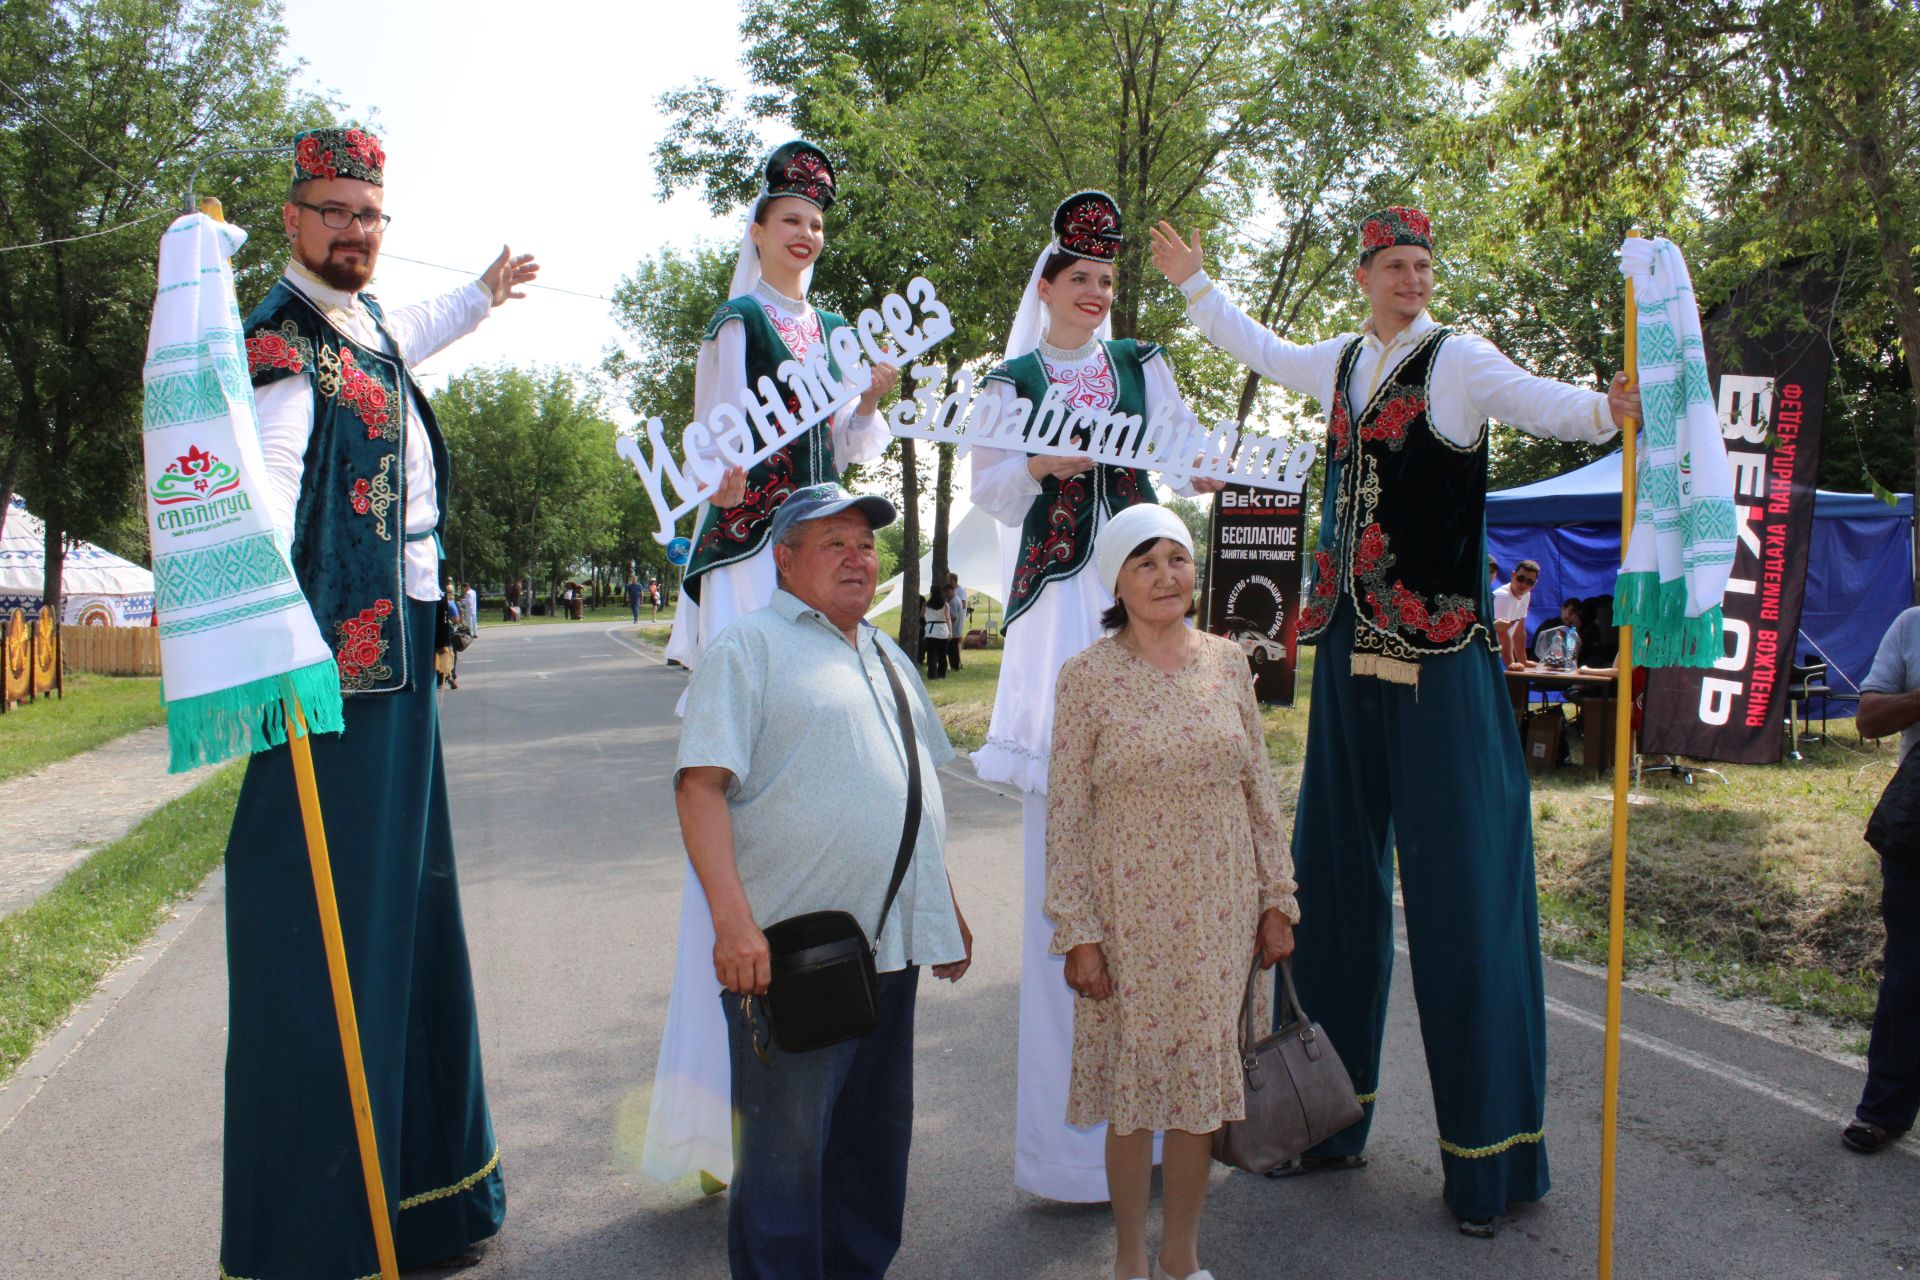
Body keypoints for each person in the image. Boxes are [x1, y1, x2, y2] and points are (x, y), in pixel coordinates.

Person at [1153, 206, 1639, 1235]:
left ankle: (1489, 1161)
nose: (1413, 279)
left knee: (1463, 899)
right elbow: (1261, 348)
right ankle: (1329, 1117)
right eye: (1396, 265)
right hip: (1348, 652)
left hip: (1441, 661)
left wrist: (1607, 407)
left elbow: (1539, 401)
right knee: (1328, 878)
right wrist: (1199, 285)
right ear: (1365, 274)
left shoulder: (1457, 360)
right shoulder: (1337, 359)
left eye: (1424, 265)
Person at [226, 125, 533, 1278]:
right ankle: (320, 1232)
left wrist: (484, 295)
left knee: (405, 919)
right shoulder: (277, 341)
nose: (354, 230)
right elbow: (263, 492)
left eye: (370, 214)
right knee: (335, 938)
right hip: (332, 676)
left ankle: (425, 1194)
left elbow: (414, 335)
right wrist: (274, 641)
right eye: (334, 211)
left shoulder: (354, 326)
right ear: (294, 216)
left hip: (398, 658)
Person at [646, 140, 901, 1190]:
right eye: (790, 218)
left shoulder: (834, 330)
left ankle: (796, 1085)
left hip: (815, 547)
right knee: (742, 784)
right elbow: (716, 450)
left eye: (817, 222)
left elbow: (850, 448)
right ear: (758, 232)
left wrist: (874, 391)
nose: (806, 233)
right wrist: (727, 466)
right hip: (755, 560)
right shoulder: (739, 321)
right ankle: (725, 1118)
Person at [970, 191, 1223, 1202]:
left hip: (1136, 601)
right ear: (1048, 285)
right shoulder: (1014, 377)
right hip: (1055, 609)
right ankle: (1068, 1154)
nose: (1097, 291)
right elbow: (987, 485)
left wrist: (1241, 469)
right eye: (1080, 276)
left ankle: (1165, 1133)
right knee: (1067, 853)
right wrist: (1039, 460)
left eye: (1108, 278)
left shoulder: (1138, 366)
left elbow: (1193, 450)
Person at [675, 482, 972, 1279]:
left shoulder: (883, 650)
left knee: (872, 1146)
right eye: (834, 543)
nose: (857, 557)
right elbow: (698, 786)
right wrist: (733, 925)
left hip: (893, 949)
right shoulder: (748, 648)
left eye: (867, 545)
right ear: (784, 559)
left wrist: (945, 902)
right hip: (795, 956)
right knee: (786, 1161)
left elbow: (914, 784)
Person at [1048, 504, 1299, 1280]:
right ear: (1117, 582)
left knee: (1197, 1094)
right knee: (1137, 1093)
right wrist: (1079, 931)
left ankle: (1181, 1263)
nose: (1166, 577)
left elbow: (1259, 786)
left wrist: (1276, 899)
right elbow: (1066, 814)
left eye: (1178, 560)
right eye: (1146, 563)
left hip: (1222, 913)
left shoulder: (1229, 663)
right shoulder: (1087, 676)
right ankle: (1129, 1262)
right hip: (1131, 918)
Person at [1845, 607, 1920, 1155]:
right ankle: (1883, 1110)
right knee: (1908, 973)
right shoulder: (1911, 626)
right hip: (1916, 817)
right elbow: (1868, 720)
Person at [1492, 559, 1539, 667]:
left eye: (1529, 582)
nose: (1524, 584)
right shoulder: (1503, 596)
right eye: (1521, 578)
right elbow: (1502, 633)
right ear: (1513, 575)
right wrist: (1511, 664)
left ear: (1534, 584)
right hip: (1488, 653)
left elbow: (1519, 630)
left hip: (1497, 653)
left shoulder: (1526, 594)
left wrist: (1523, 661)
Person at [923, 582, 951, 680]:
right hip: (942, 631)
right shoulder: (945, 604)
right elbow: (948, 618)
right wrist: (950, 632)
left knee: (931, 655)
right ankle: (942, 674)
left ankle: (931, 674)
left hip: (931, 631)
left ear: (931, 592)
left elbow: (921, 615)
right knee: (942, 654)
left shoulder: (926, 604)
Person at [946, 572, 968, 670]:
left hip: (957, 619)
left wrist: (954, 602)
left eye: (948, 579)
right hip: (952, 618)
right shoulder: (951, 591)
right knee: (954, 643)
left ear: (953, 580)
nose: (947, 581)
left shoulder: (960, 591)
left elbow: (963, 605)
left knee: (956, 642)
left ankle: (958, 662)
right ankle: (957, 662)